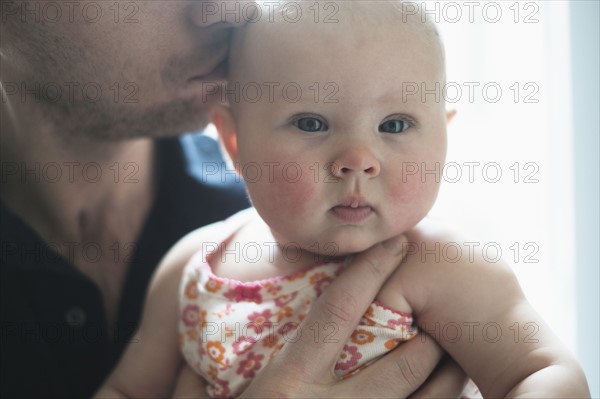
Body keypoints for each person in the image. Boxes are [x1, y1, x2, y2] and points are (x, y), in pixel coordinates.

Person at [95, 1, 590, 398]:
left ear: (443, 137)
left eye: (394, 125)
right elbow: (125, 389)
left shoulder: (439, 264)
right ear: (235, 144)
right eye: (311, 123)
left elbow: (545, 372)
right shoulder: (194, 265)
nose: (358, 159)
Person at [0, 1, 467, 398]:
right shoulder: (204, 263)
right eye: (310, 123)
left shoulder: (272, 215)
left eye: (395, 124)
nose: (232, 8)